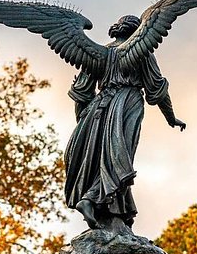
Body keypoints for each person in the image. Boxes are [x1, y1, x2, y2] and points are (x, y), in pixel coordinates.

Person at [65, 15, 186, 229]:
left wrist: (84, 126)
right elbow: (157, 89)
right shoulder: (141, 51)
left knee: (104, 157)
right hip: (127, 103)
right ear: (136, 32)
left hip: (97, 109)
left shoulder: (95, 53)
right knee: (120, 158)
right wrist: (171, 117)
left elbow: (82, 94)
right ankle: (92, 199)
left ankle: (116, 212)